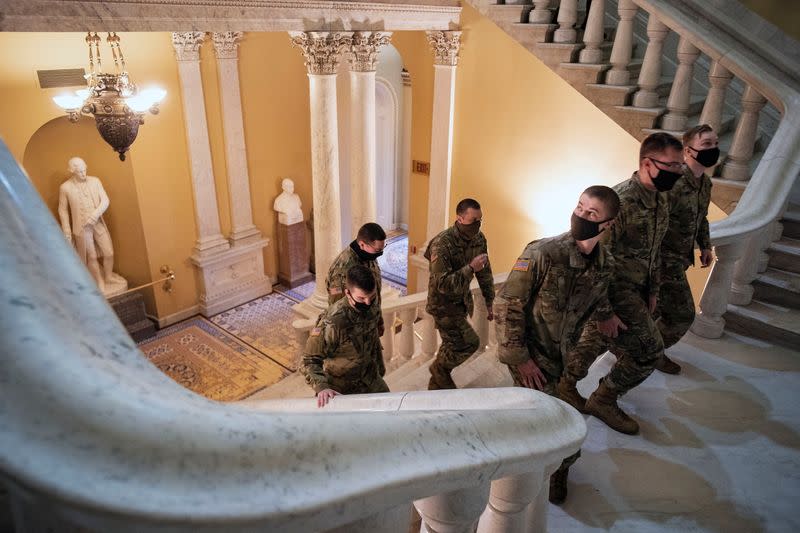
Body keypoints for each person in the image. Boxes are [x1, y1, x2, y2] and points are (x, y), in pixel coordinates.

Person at [495, 185, 620, 504]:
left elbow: (599, 293)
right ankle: (550, 472)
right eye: (580, 207)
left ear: (608, 225)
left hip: (561, 356)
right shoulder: (542, 253)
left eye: (592, 213)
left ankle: (540, 465)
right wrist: (521, 359)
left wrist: (607, 316)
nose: (582, 215)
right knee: (563, 430)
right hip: (529, 353)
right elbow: (507, 305)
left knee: (545, 417)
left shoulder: (605, 262)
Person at [577, 132, 684, 435]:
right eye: (673, 166)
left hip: (639, 291)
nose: (679, 172)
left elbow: (655, 249)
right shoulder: (620, 201)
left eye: (680, 166)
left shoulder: (661, 198)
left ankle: (571, 387)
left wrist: (653, 290)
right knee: (650, 351)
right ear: (648, 163)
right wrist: (604, 313)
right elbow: (593, 261)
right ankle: (603, 399)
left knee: (590, 348)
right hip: (614, 292)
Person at [655, 125, 717, 374]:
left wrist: (705, 245)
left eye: (714, 143)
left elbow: (701, 217)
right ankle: (646, 354)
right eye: (706, 145)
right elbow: (656, 221)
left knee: (657, 310)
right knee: (682, 314)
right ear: (688, 151)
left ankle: (644, 352)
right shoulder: (675, 183)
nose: (713, 149)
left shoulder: (706, 183)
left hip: (680, 259)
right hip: (661, 260)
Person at [425, 198, 495, 390]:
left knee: (450, 343)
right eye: (474, 220)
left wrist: (490, 301)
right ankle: (439, 369)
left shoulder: (479, 239)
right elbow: (442, 284)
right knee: (469, 343)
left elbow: (485, 272)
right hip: (443, 305)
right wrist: (470, 268)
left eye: (481, 220)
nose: (478, 225)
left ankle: (435, 386)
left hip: (461, 302)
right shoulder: (442, 244)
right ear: (460, 219)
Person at [301, 264, 388, 407]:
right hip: (342, 388)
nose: (367, 303)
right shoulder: (333, 322)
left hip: (371, 377)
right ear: (348, 293)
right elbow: (309, 361)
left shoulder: (372, 301)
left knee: (391, 410)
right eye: (361, 298)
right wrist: (322, 387)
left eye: (371, 297)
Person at [58, 156, 117, 294]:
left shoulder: (95, 181)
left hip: (97, 223)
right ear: (72, 171)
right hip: (82, 228)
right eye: (80, 172)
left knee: (109, 252)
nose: (84, 174)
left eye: (85, 170)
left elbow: (105, 200)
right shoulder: (65, 188)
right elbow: (62, 211)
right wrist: (66, 231)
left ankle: (108, 276)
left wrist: (95, 214)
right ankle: (99, 281)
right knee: (91, 257)